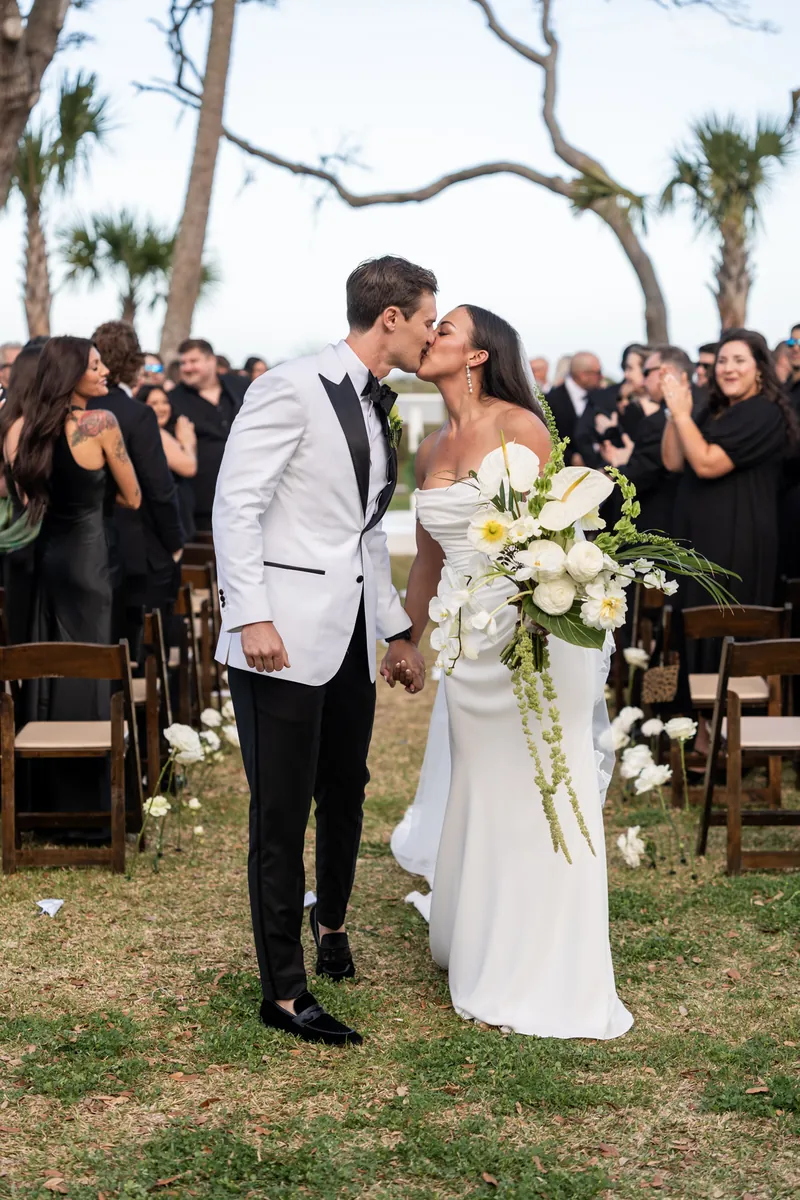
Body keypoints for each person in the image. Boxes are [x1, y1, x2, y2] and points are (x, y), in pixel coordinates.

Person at [213, 256, 433, 1046]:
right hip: (278, 637)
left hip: (345, 639)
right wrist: (252, 616)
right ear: (391, 319)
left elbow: (364, 535)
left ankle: (331, 926)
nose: (433, 334)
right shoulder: (292, 385)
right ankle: (282, 994)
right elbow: (236, 503)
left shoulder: (382, 408)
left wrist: (396, 632)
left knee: (345, 788)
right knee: (279, 814)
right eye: (428, 319)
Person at [396, 304, 631, 1039]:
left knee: (541, 786)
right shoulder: (431, 442)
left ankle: (543, 962)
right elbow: (429, 561)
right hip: (469, 643)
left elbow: (551, 536)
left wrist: (532, 616)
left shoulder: (518, 425)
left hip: (532, 631)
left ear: (476, 355)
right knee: (483, 789)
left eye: (445, 329)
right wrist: (408, 640)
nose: (430, 336)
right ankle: (481, 935)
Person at [3, 337, 141, 817]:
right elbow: (134, 497)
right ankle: (92, 809)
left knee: (49, 670)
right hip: (93, 562)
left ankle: (41, 803)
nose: (104, 372)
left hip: (47, 559)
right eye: (96, 365)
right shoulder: (100, 423)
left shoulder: (22, 427)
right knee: (94, 670)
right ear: (71, 375)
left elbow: (22, 499)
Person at [662, 328, 794, 610]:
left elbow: (707, 463)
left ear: (759, 368)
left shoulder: (763, 412)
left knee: (722, 634)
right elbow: (673, 461)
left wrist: (683, 415)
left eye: (738, 360)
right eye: (722, 361)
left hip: (736, 543)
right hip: (699, 543)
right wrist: (675, 414)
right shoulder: (711, 409)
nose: (728, 369)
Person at [91, 322, 185, 659]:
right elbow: (159, 489)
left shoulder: (77, 409)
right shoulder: (136, 414)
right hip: (137, 549)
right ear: (134, 363)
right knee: (143, 652)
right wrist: (175, 542)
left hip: (88, 546)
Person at [599, 345, 686, 536]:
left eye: (633, 369)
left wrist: (617, 466)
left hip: (656, 522)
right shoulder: (649, 415)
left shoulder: (657, 420)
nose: (627, 375)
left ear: (666, 372)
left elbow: (641, 473)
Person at [170, 339, 248, 531]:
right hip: (203, 506)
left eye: (193, 361)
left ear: (211, 361)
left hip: (248, 497)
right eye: (183, 363)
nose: (187, 368)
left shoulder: (241, 387)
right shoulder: (172, 401)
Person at [136, 382, 198, 543]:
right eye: (153, 403)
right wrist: (187, 442)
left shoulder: (166, 432)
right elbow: (189, 467)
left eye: (165, 402)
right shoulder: (156, 434)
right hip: (167, 516)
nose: (161, 408)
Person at [573, 344, 648, 468]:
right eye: (626, 368)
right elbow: (582, 436)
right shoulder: (602, 398)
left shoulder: (663, 404)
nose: (626, 375)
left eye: (630, 368)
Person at [546, 352, 603, 463]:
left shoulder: (601, 396)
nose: (602, 377)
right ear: (583, 375)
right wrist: (570, 457)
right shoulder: (551, 401)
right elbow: (547, 438)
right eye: (598, 373)